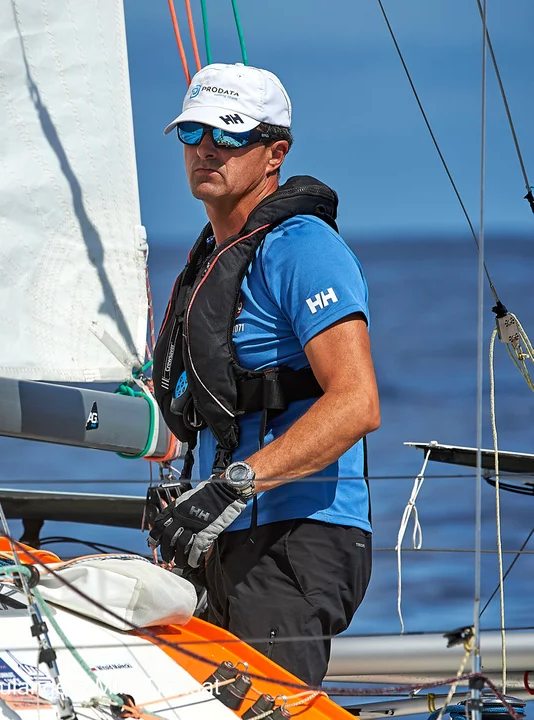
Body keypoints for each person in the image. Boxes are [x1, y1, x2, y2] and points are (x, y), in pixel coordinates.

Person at [147, 63, 379, 686]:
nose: (205, 151)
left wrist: (232, 486)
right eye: (192, 135)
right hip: (220, 540)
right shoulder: (209, 260)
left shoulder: (303, 247)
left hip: (297, 536)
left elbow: (356, 403)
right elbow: (175, 410)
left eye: (226, 136)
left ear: (275, 152)